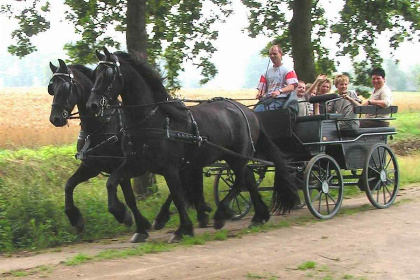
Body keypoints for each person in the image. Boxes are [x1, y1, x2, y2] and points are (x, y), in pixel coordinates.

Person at [254, 44, 298, 112]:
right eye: (270, 54)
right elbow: (261, 90)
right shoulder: (265, 73)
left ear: (281, 54)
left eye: (275, 54)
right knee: (255, 112)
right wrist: (260, 94)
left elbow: (292, 86)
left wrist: (279, 91)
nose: (272, 56)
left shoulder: (288, 70)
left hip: (281, 99)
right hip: (267, 100)